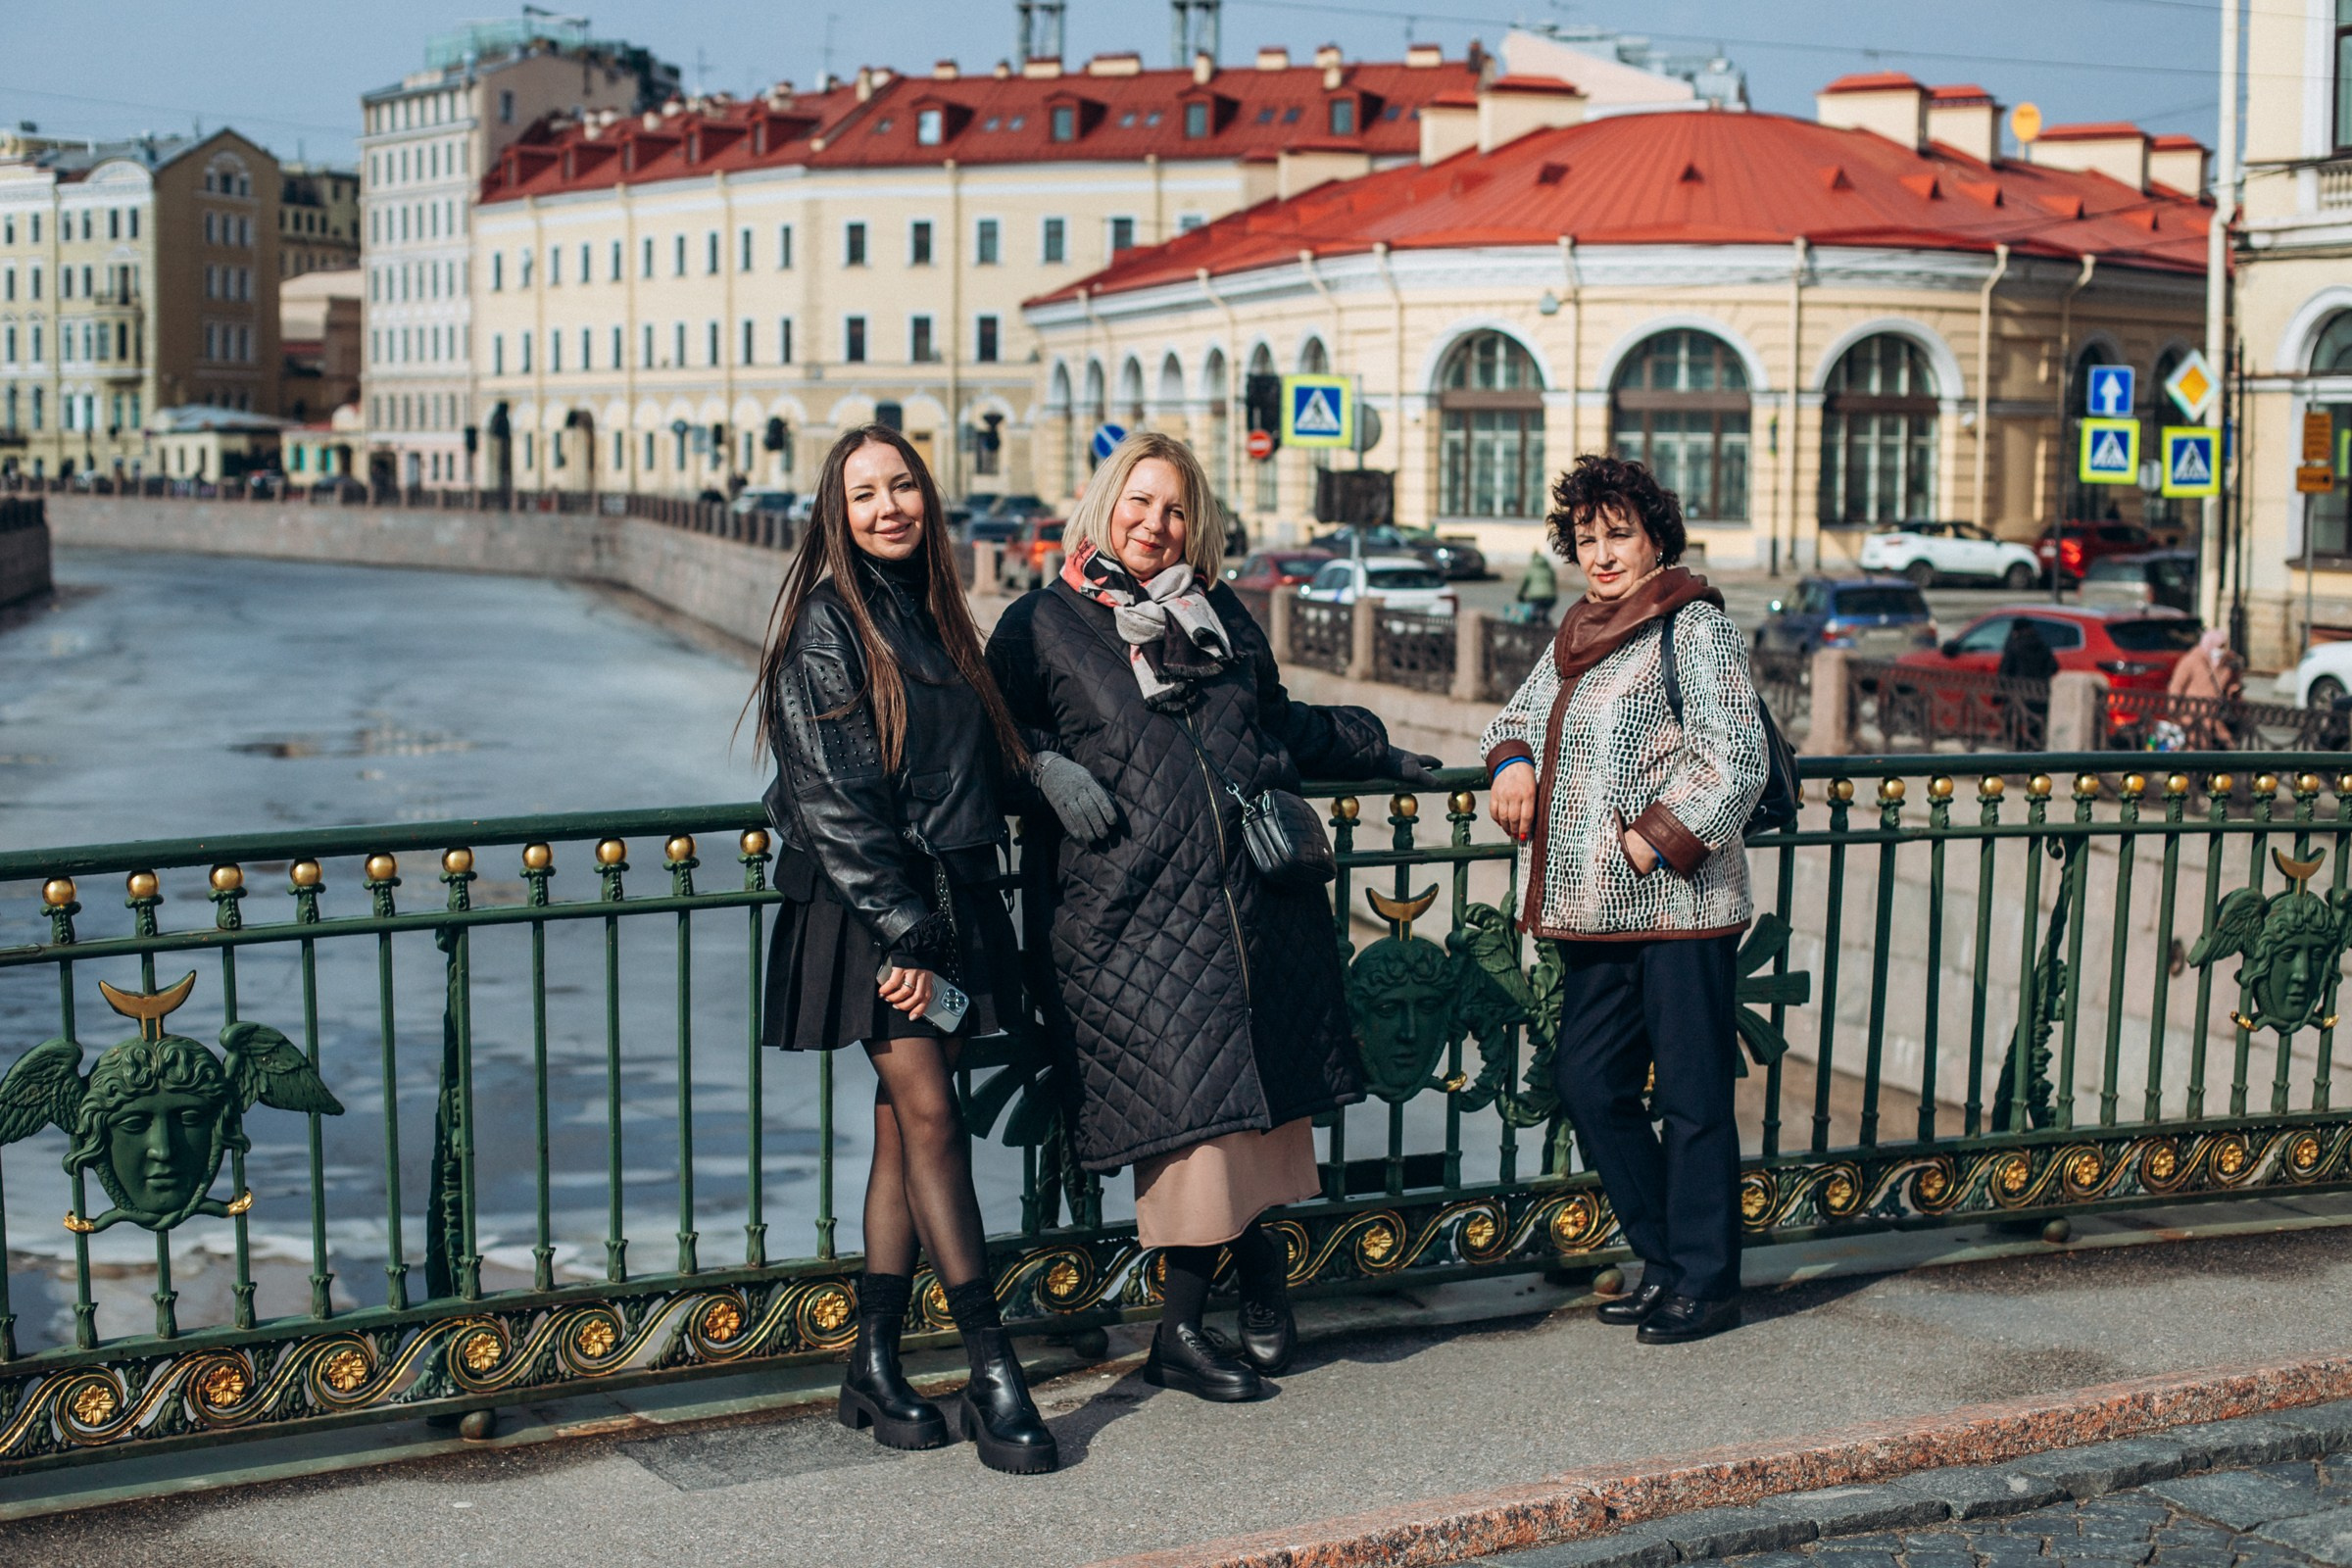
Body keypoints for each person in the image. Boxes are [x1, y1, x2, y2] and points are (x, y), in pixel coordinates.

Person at [987, 431, 1441, 1401]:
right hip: (1123, 918)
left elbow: (1274, 722)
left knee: (1262, 1107)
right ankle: (1180, 1334)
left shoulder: (1218, 610)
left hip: (1248, 902)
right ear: (1105, 502)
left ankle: (1263, 1278)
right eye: (1140, 502)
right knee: (1196, 1120)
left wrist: (1377, 749)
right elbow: (991, 736)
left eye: (1176, 507)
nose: (1155, 523)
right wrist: (1040, 765)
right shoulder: (1044, 623)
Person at [753, 423, 1056, 1475]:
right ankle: (992, 1364)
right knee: (934, 1120)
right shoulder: (827, 626)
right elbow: (835, 797)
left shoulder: (931, 613)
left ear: (927, 496)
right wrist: (907, 933)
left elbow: (964, 760)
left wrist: (1041, 768)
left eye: (903, 488)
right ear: (834, 515)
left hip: (936, 901)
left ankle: (873, 1364)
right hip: (879, 913)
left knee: (901, 1128)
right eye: (865, 494)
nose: (889, 507)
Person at [1484, 454, 1768, 1347]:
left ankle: (1707, 1281)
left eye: (1620, 536)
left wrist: (1654, 838)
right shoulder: (1579, 631)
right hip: (1596, 910)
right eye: (1587, 538)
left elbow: (1738, 756)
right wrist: (1513, 761)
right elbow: (1516, 715)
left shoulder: (1693, 626)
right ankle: (1667, 1259)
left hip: (1679, 905)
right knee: (1589, 1080)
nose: (1602, 554)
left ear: (1655, 540)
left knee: (1690, 1099)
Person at [2167, 627, 2243, 750]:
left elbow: (2231, 688)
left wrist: (2235, 692)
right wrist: (2173, 708)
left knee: (2225, 745)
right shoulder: (2192, 660)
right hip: (2192, 712)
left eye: (2223, 646)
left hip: (2216, 713)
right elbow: (2177, 686)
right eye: (2219, 646)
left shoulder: (2227, 663)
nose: (2221, 650)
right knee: (2194, 745)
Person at [1996, 618, 2059, 747]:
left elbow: (2005, 670)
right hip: (2039, 692)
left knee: (2012, 723)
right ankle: (2035, 746)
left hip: (2018, 692)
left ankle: (2016, 747)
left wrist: (1999, 694)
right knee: (2036, 724)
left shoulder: (2014, 646)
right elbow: (2054, 666)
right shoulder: (2041, 644)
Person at [1516, 549, 1559, 625]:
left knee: (1533, 616)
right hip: (1550, 597)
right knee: (1544, 614)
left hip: (1536, 597)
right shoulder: (1549, 569)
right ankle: (1549, 629)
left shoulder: (1531, 569)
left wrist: (1519, 596)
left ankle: (1531, 632)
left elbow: (1524, 585)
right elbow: (1554, 584)